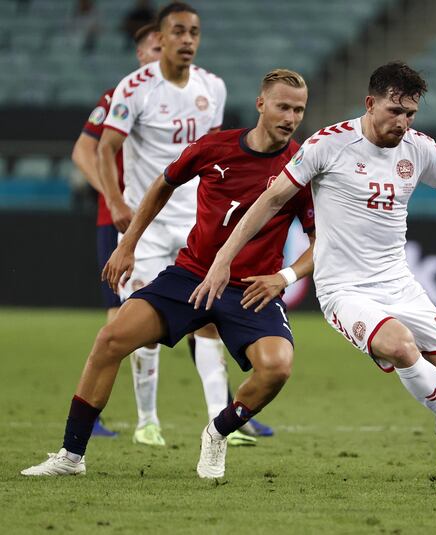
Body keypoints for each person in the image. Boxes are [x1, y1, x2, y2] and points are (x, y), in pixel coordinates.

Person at [189, 61, 436, 486]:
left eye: (410, 114)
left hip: (399, 283)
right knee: (401, 347)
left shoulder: (420, 148)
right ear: (370, 104)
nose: (402, 123)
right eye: (394, 111)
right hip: (344, 290)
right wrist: (223, 259)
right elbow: (271, 200)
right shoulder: (328, 145)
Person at [21, 69, 313, 479]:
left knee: (278, 368)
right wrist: (128, 244)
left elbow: (323, 243)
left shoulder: (301, 169)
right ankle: (71, 456)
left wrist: (285, 276)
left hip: (250, 289)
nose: (291, 117)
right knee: (110, 340)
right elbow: (163, 183)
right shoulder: (216, 147)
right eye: (283, 106)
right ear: (261, 104)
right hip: (192, 275)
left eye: (299, 109)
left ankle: (217, 431)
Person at [95, 2, 254, 447]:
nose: (187, 40)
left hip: (193, 222)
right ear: (161, 38)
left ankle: (220, 422)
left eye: (194, 33)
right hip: (145, 227)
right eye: (178, 32)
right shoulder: (135, 88)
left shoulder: (213, 88)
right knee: (142, 323)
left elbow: (213, 155)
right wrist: (116, 203)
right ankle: (148, 420)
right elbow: (106, 149)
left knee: (208, 319)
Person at [71, 22, 161, 439]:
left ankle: (228, 410)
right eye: (156, 47)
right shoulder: (120, 96)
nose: (166, 53)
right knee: (120, 315)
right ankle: (94, 412)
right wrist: (112, 196)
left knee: (204, 313)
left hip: (173, 221)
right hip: (123, 221)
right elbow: (82, 151)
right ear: (141, 54)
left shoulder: (191, 99)